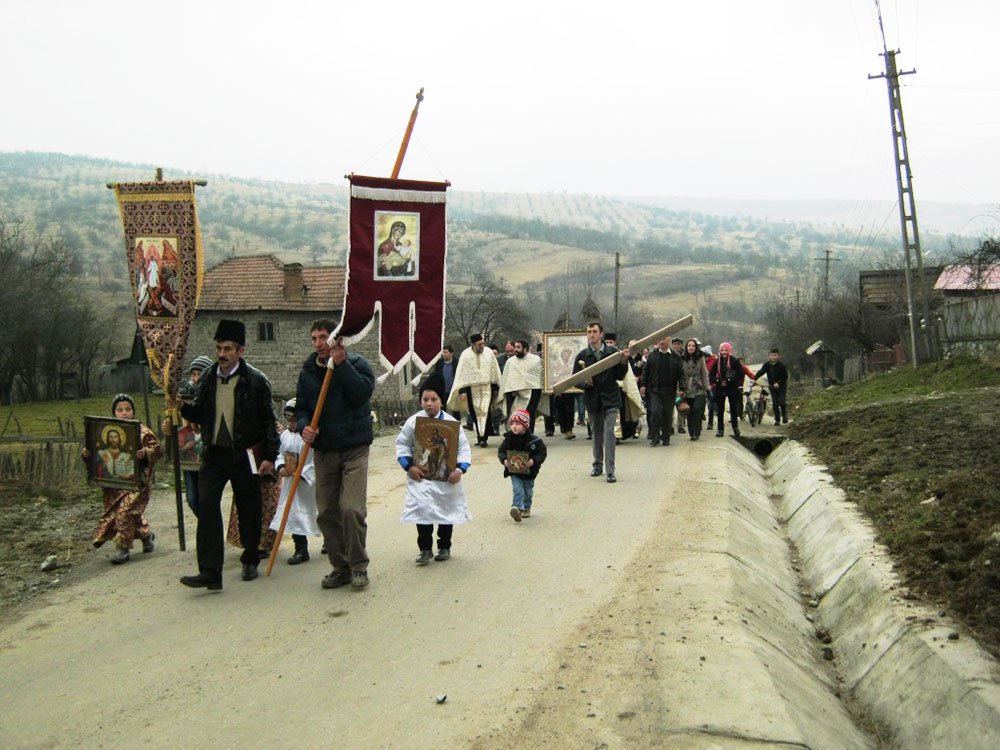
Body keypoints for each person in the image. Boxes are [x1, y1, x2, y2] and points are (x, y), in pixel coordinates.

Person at [179, 320, 279, 591]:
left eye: (227, 349)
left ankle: (250, 558)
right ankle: (210, 571)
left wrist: (270, 456)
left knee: (249, 508)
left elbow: (269, 421)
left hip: (244, 454)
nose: (221, 354)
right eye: (219, 348)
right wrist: (179, 406)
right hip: (214, 455)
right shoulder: (210, 377)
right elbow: (199, 412)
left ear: (241, 351)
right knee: (207, 505)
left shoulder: (256, 382)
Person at [297, 319, 376, 591]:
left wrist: (341, 365)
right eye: (314, 338)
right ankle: (339, 567)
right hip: (324, 452)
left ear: (336, 339)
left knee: (351, 509)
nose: (319, 343)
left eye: (323, 337)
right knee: (327, 513)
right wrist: (303, 427)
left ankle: (358, 567)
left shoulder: (358, 365)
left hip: (354, 449)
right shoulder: (308, 371)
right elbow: (302, 408)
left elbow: (361, 394)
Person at [396, 375, 472, 565]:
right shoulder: (413, 422)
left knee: (445, 511)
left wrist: (460, 470)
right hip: (421, 476)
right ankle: (425, 549)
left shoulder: (451, 424)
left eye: (433, 400)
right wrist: (409, 466)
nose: (429, 404)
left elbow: (463, 448)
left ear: (441, 401)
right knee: (423, 511)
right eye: (425, 400)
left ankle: (444, 546)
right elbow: (402, 445)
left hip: (447, 478)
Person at [84, 393, 161, 564]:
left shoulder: (142, 431)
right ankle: (146, 535)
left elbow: (157, 449)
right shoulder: (105, 430)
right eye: (120, 410)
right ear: (115, 412)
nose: (124, 413)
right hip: (113, 484)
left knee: (124, 512)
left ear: (133, 411)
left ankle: (122, 549)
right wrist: (87, 455)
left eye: (128, 409)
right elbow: (95, 455)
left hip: (137, 482)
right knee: (127, 513)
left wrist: (146, 453)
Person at [573, 321, 629, 483]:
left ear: (601, 334)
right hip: (593, 400)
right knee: (597, 434)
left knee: (609, 433)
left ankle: (610, 470)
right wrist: (585, 383)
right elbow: (575, 379)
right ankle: (597, 465)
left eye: (594, 331)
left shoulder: (613, 353)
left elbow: (619, 375)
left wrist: (624, 361)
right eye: (589, 332)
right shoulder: (582, 356)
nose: (591, 334)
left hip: (611, 398)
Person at [270, 399, 320, 565]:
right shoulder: (284, 436)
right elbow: (279, 455)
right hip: (292, 484)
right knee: (293, 514)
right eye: (289, 421)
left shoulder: (311, 438)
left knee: (321, 513)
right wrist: (281, 467)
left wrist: (304, 474)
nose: (291, 424)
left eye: (294, 420)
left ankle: (331, 541)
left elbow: (317, 460)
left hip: (309, 485)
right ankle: (301, 548)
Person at [447, 333, 502, 448]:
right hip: (471, 389)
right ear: (473, 344)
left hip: (487, 387)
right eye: (479, 344)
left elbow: (494, 371)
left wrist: (496, 388)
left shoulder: (489, 352)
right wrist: (462, 391)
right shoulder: (465, 355)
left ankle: (483, 438)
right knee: (474, 413)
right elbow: (461, 374)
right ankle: (480, 436)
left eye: (483, 343)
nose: (482, 346)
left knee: (485, 412)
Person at [498, 408, 547, 522]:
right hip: (514, 471)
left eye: (518, 424)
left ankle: (526, 507)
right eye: (512, 424)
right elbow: (501, 451)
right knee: (518, 489)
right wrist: (504, 460)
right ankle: (517, 508)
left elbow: (542, 453)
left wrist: (533, 461)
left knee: (528, 490)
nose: (514, 426)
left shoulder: (534, 441)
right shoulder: (508, 439)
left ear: (525, 426)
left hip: (530, 472)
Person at [641, 335, 682, 446]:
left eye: (663, 339)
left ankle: (666, 437)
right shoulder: (652, 356)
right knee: (655, 412)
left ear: (669, 340)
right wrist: (643, 385)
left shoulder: (676, 357)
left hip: (670, 390)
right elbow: (646, 371)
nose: (661, 341)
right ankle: (655, 437)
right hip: (654, 390)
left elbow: (680, 374)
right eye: (659, 339)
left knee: (667, 414)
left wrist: (681, 388)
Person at [499, 339, 543, 431]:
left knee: (529, 414)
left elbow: (539, 376)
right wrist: (512, 389)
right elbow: (507, 378)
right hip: (515, 394)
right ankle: (513, 434)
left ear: (525, 349)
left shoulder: (536, 360)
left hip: (533, 391)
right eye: (515, 347)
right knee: (513, 412)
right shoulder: (510, 362)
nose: (515, 349)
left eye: (518, 347)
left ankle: (529, 435)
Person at [708, 341, 745, 438]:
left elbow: (741, 374)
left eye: (726, 350)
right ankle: (720, 429)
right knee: (720, 409)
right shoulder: (717, 362)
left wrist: (730, 381)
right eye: (722, 350)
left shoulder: (734, 361)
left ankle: (735, 427)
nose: (724, 352)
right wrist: (718, 381)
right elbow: (711, 375)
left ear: (729, 351)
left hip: (732, 388)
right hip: (720, 388)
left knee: (733, 408)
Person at [680, 339, 710, 440]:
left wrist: (707, 386)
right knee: (689, 411)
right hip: (686, 387)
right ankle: (691, 432)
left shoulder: (700, 357)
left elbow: (704, 373)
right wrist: (679, 388)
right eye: (689, 346)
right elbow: (679, 374)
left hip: (699, 387)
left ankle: (697, 432)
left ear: (696, 347)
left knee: (697, 409)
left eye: (693, 346)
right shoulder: (682, 358)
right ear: (686, 347)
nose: (691, 347)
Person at [754, 348, 790, 424]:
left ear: (778, 356)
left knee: (782, 402)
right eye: (772, 355)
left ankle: (784, 415)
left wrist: (778, 383)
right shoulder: (766, 365)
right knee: (775, 403)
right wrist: (754, 379)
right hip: (772, 386)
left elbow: (785, 377)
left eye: (775, 355)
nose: (773, 357)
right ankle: (777, 419)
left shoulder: (781, 366)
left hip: (781, 386)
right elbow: (761, 372)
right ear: (769, 356)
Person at [550, 344, 578, 439]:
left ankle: (569, 429)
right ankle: (564, 427)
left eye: (569, 353)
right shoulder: (555, 363)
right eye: (565, 353)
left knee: (570, 410)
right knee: (561, 410)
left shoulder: (572, 363)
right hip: (560, 389)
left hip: (571, 389)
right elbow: (553, 376)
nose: (567, 355)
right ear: (562, 353)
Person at [670, 337, 687, 433]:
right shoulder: (670, 355)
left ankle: (681, 425)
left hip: (681, 384)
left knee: (680, 404)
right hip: (671, 384)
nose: (676, 346)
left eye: (678, 344)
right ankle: (670, 425)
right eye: (675, 344)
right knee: (670, 406)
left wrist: (683, 386)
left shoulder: (685, 356)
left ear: (682, 345)